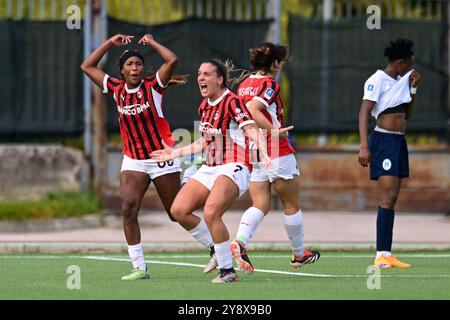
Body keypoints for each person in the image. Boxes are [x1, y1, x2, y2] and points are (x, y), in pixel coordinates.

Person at [80, 34, 216, 280]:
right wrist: (109, 44)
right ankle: (139, 267)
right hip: (133, 159)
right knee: (128, 208)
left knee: (176, 213)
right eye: (130, 64)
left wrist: (151, 43)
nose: (135, 68)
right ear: (121, 70)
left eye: (138, 64)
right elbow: (87, 66)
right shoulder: (115, 88)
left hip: (161, 156)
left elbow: (172, 60)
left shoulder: (153, 86)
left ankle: (216, 247)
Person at [151, 59, 282, 283]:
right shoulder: (204, 106)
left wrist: (265, 152)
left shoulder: (232, 101)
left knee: (211, 212)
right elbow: (204, 142)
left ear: (220, 79)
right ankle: (216, 249)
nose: (201, 78)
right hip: (210, 166)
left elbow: (251, 128)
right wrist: (173, 153)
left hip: (235, 165)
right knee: (179, 210)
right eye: (199, 74)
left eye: (207, 74)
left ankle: (227, 271)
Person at [230, 42, 320, 273]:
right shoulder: (270, 84)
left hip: (254, 150)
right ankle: (299, 254)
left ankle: (240, 242)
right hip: (276, 149)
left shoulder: (244, 84)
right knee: (291, 204)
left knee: (259, 204)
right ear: (276, 63)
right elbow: (253, 108)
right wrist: (272, 130)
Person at [358, 38, 421, 268]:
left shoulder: (402, 81)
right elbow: (364, 111)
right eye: (409, 63)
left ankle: (387, 253)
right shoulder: (378, 79)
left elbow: (407, 114)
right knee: (387, 193)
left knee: (393, 196)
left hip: (398, 142)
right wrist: (364, 145)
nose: (411, 67)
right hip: (383, 141)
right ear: (400, 62)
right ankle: (380, 255)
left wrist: (413, 88)